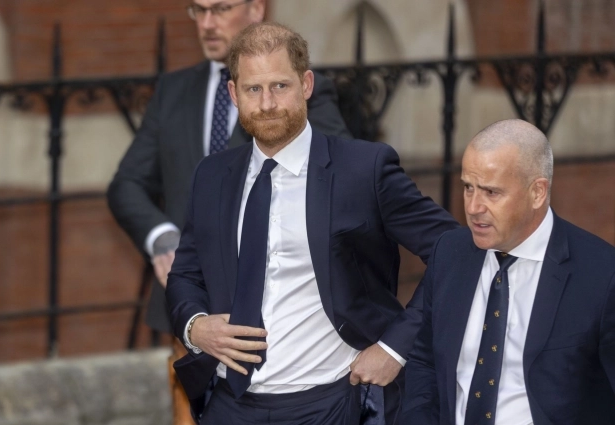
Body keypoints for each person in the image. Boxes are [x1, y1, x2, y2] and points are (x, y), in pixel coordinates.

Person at [165, 22, 459, 425]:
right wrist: (194, 327)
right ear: (234, 94)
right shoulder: (211, 175)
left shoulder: (363, 169)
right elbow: (185, 274)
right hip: (228, 404)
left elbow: (454, 249)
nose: (267, 103)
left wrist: (395, 347)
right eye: (253, 89)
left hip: (332, 402)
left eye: (280, 86)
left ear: (306, 85)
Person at [107, 1, 349, 422]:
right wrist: (163, 239)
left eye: (219, 8)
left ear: (256, 8)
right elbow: (126, 184)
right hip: (187, 302)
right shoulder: (173, 89)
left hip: (273, 313)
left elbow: (341, 175)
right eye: (197, 10)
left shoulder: (291, 92)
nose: (207, 24)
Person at [401, 119, 615, 425]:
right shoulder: (449, 253)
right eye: (468, 187)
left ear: (537, 192)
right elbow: (425, 362)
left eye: (491, 192)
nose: (473, 207)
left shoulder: (601, 275)